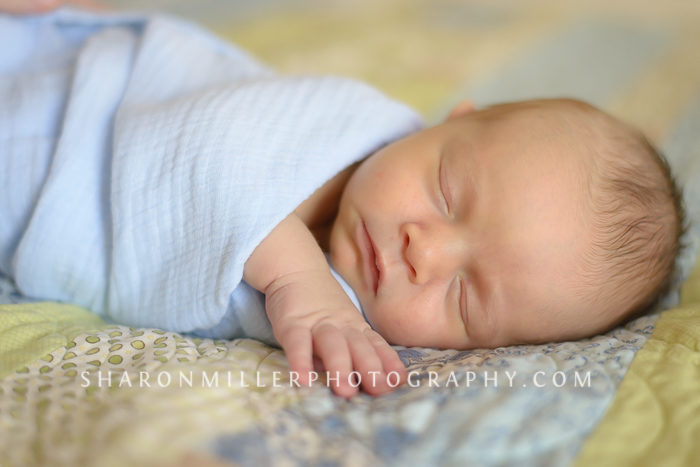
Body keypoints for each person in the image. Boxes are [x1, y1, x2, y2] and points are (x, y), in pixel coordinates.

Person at [0, 3, 685, 399]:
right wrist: (298, 278)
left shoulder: (351, 328)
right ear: (449, 121)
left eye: (467, 298)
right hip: (75, 94)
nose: (427, 249)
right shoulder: (351, 123)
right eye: (448, 191)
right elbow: (204, 150)